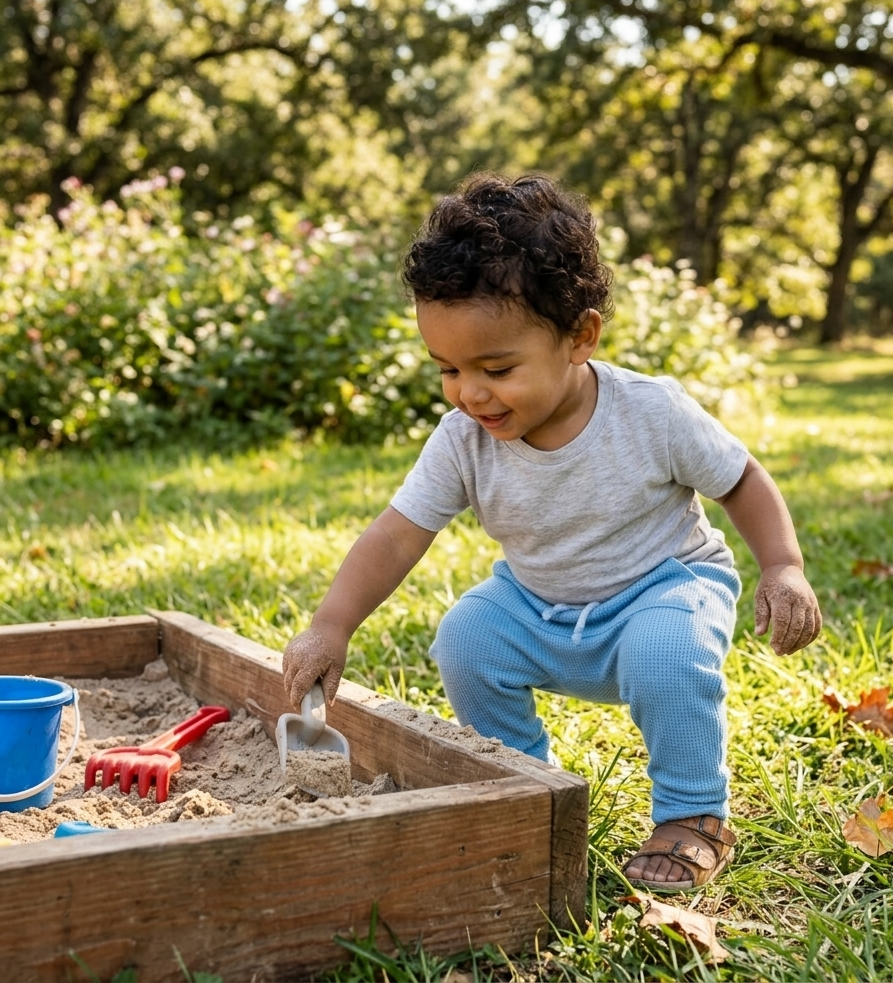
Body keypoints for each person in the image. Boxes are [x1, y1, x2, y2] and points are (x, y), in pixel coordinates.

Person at [282, 172, 821, 891]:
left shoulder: (652, 412)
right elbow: (397, 533)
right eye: (448, 369)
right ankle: (525, 786)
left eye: (496, 367)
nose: (470, 393)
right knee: (467, 638)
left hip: (664, 587)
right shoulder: (462, 439)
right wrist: (332, 624)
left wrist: (782, 565)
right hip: (539, 604)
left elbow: (742, 480)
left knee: (666, 652)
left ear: (580, 336)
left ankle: (695, 815)